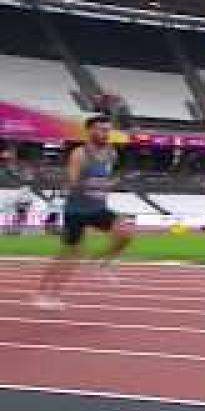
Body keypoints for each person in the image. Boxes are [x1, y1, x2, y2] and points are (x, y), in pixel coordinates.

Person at [32, 116, 133, 310]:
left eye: (107, 130)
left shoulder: (111, 153)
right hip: (76, 211)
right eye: (101, 130)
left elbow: (109, 177)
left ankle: (100, 263)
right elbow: (72, 184)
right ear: (90, 131)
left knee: (125, 234)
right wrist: (97, 184)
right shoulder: (79, 154)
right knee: (69, 256)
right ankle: (44, 294)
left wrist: (111, 183)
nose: (105, 134)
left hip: (98, 209)